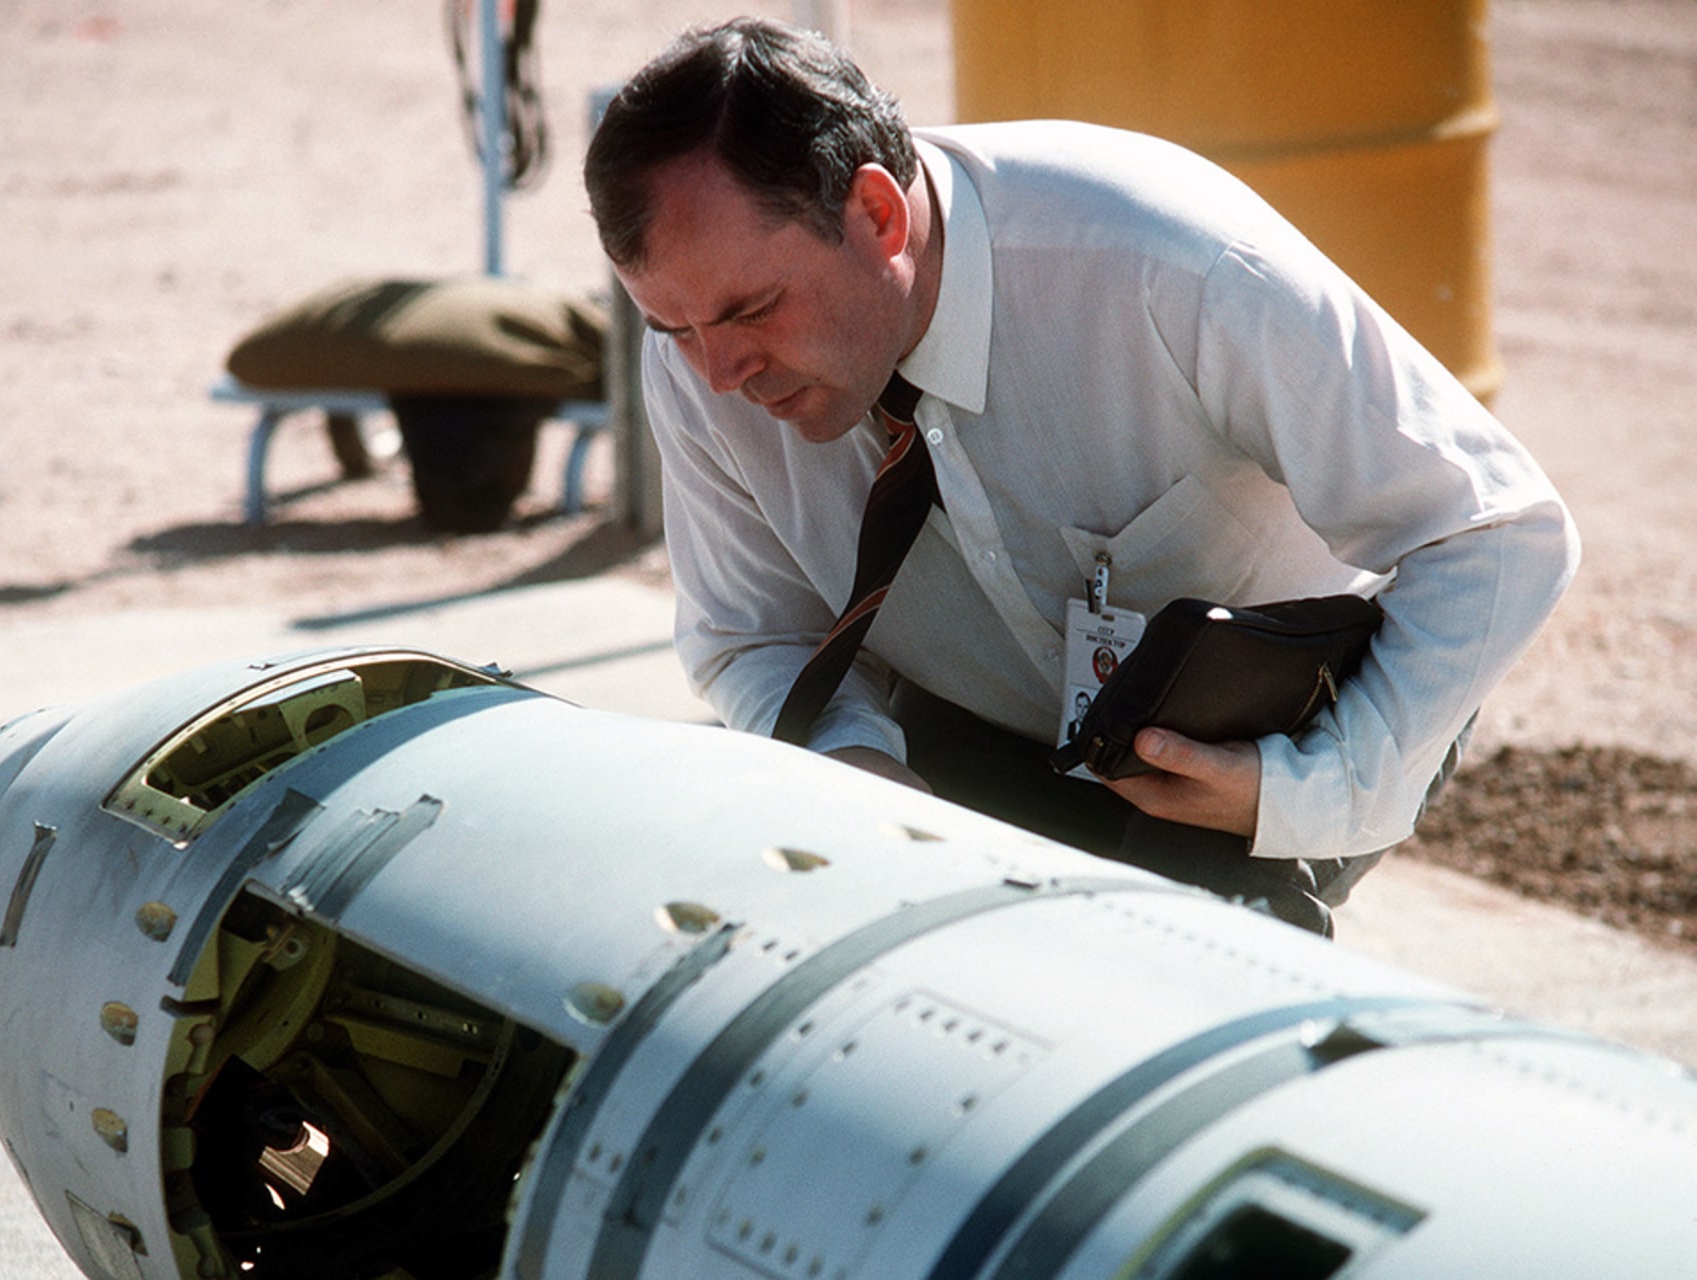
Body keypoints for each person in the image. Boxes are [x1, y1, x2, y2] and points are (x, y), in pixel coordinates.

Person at [583, 18, 1577, 932]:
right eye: (672, 327)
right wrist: (854, 769)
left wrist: (1307, 784)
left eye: (753, 310)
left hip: (1262, 731)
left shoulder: (1168, 261)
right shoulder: (701, 357)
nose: (719, 374)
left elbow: (1496, 529)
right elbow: (755, 631)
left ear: (878, 215)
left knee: (1180, 973)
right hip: (977, 719)